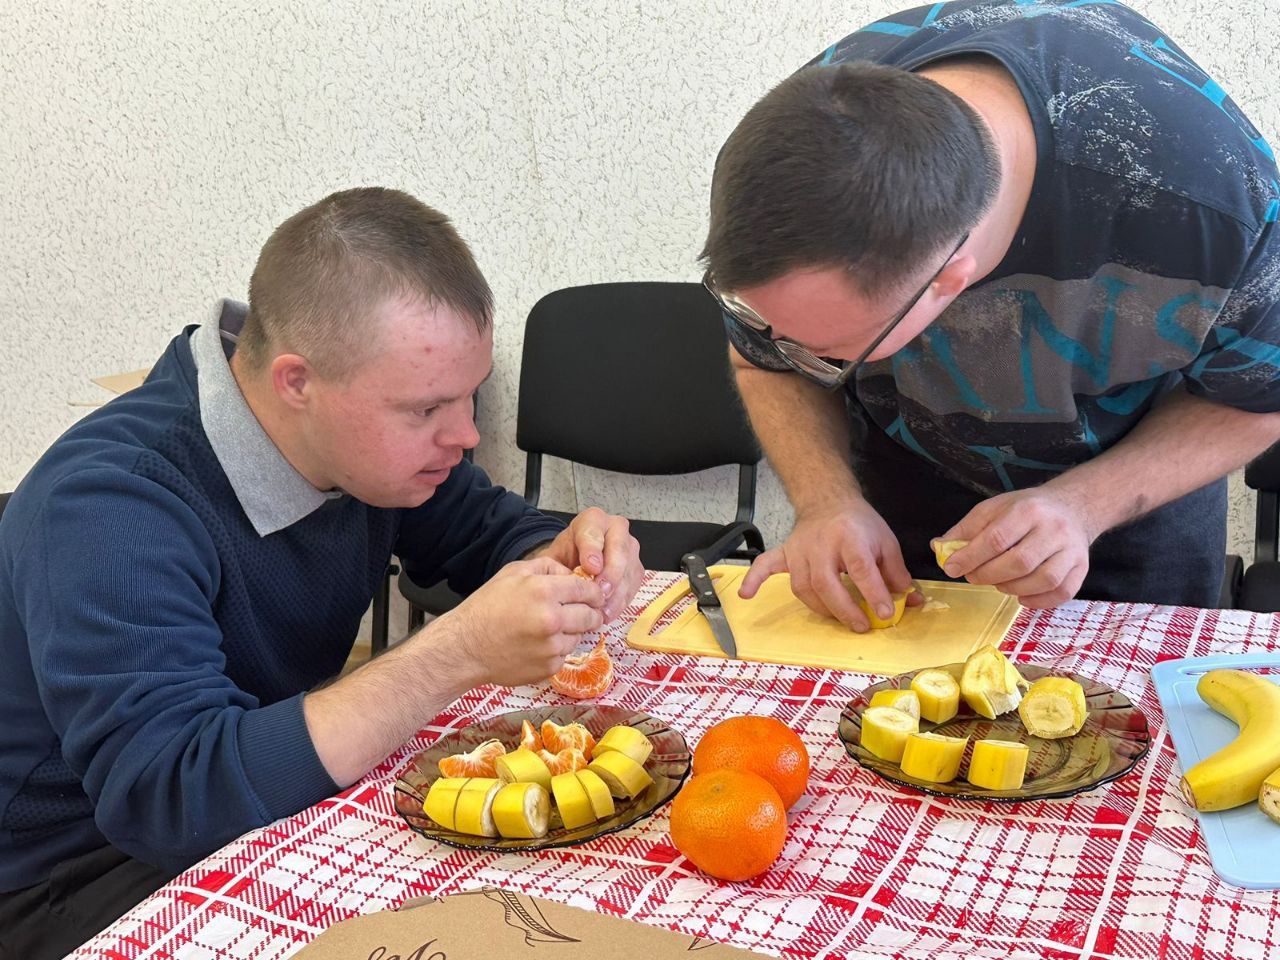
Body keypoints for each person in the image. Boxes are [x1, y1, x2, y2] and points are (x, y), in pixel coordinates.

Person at [0, 187, 643, 958]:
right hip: (68, 873)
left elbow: (489, 532)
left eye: (469, 395)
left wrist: (565, 552)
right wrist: (458, 652)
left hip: (249, 792)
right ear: (297, 382)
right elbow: (173, 800)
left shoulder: (367, 455)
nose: (466, 433)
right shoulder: (111, 506)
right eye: (426, 409)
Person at [701, 0, 1280, 631]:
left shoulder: (1212, 202)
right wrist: (825, 501)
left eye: (832, 350)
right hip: (903, 479)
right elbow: (765, 364)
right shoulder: (784, 161)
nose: (791, 354)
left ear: (954, 283)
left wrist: (1084, 505)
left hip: (1133, 488)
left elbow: (1261, 398)